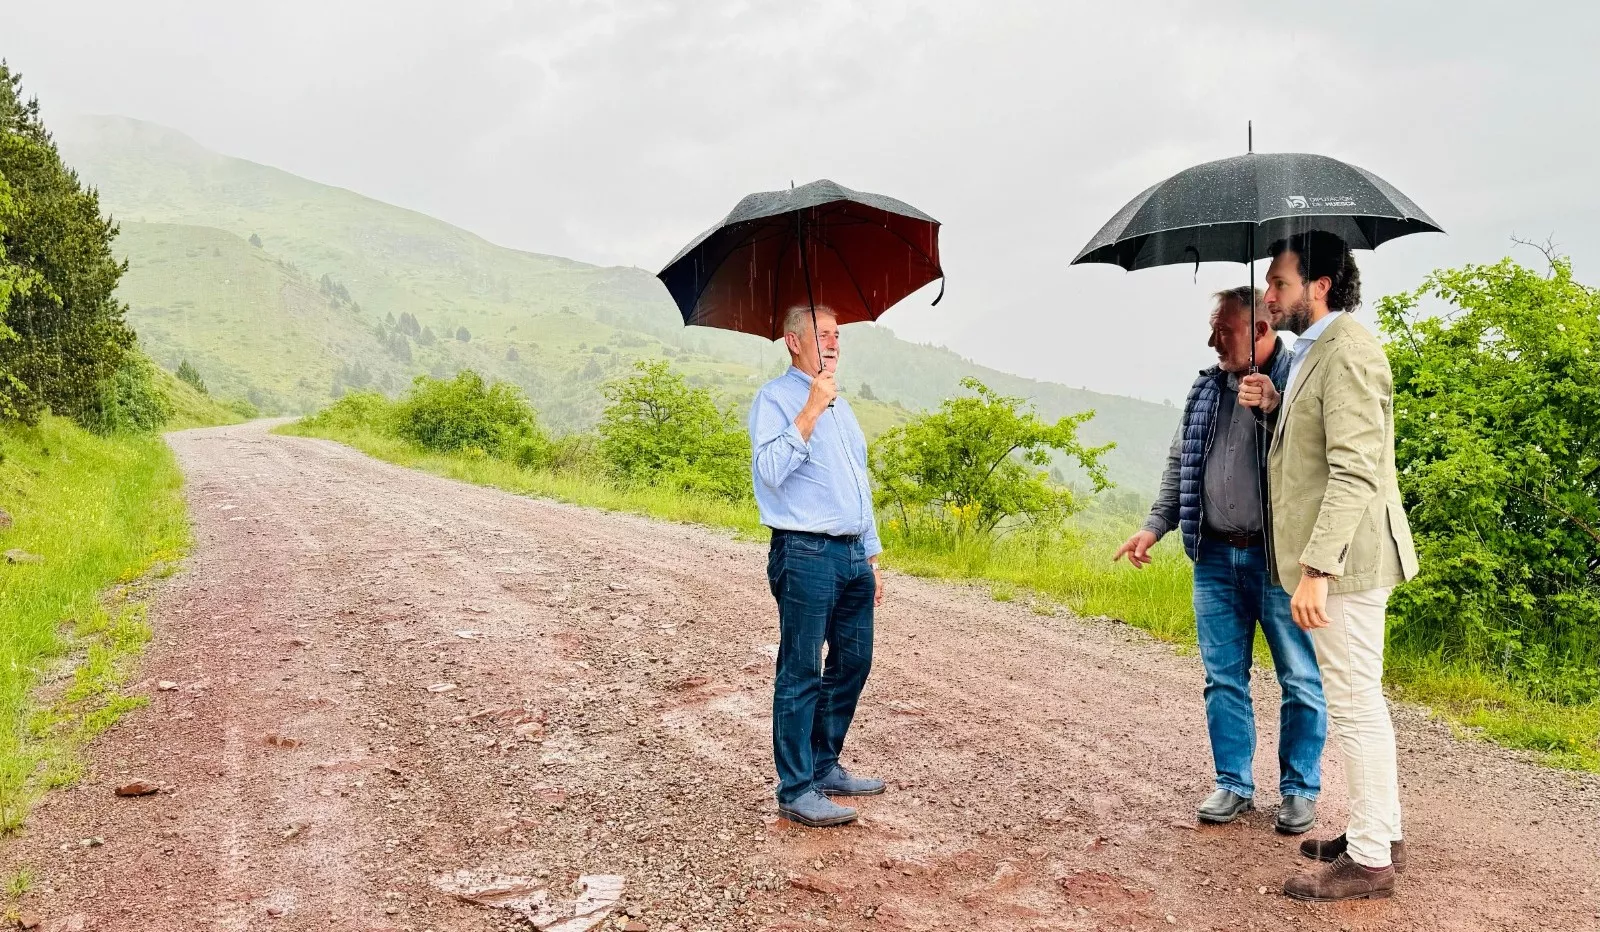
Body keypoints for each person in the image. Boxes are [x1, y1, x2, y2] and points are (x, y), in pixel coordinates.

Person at [1240, 230, 1420, 902]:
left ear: (1319, 286)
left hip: (1346, 564)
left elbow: (1353, 471)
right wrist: (1274, 405)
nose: (1268, 295)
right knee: (1359, 698)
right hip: (1344, 560)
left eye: (1279, 283)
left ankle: (1370, 862)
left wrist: (1317, 569)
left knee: (1353, 704)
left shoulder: (1347, 351)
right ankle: (1381, 832)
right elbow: (1318, 448)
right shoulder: (1319, 351)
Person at [1117, 287, 1326, 835]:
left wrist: (1274, 407)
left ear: (1260, 330)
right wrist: (1154, 525)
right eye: (1213, 330)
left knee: (1300, 678)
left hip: (1279, 561)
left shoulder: (1300, 380)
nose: (1213, 341)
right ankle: (1233, 783)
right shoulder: (1207, 386)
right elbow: (1182, 461)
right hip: (1213, 555)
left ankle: (1299, 790)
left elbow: (1314, 458)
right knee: (1222, 678)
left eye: (1224, 331)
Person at [748, 303, 885, 828]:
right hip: (804, 552)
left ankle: (824, 765)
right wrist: (809, 409)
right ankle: (796, 787)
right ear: (794, 341)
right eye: (823, 334)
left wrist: (871, 554)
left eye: (837, 336)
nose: (833, 343)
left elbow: (857, 483)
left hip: (851, 553)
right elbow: (769, 471)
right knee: (801, 669)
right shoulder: (776, 399)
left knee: (853, 662)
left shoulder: (842, 407)